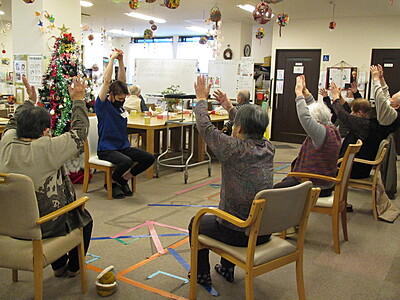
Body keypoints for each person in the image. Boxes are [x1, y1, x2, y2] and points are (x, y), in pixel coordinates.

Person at [0, 75, 93, 278]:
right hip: (42, 225)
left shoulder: (6, 141)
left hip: (8, 221)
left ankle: (58, 266)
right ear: (45, 130)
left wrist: (29, 102)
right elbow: (80, 131)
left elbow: (13, 123)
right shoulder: (47, 148)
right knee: (83, 219)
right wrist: (78, 99)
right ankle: (73, 269)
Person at [188, 75, 274, 286]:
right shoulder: (268, 147)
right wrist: (229, 107)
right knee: (232, 214)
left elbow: (206, 128)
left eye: (236, 125)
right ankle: (226, 268)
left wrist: (201, 99)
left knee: (196, 223)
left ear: (239, 129)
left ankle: (201, 274)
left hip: (239, 232)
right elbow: (249, 127)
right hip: (264, 230)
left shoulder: (234, 149)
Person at [95, 50, 155, 199]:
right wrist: (112, 59)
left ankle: (123, 179)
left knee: (148, 158)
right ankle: (113, 182)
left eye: (124, 98)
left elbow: (121, 81)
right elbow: (107, 82)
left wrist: (121, 61)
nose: (122, 101)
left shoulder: (120, 105)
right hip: (106, 148)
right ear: (111, 95)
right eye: (120, 98)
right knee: (126, 161)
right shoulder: (103, 105)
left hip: (122, 146)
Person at [274, 75, 341, 197]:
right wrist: (306, 93)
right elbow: (316, 108)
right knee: (282, 184)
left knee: (272, 192)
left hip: (315, 184)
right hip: (325, 182)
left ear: (316, 120)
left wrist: (299, 94)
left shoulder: (320, 133)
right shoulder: (331, 128)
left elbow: (305, 117)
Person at [330, 82, 397, 179]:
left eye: (353, 111)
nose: (351, 113)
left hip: (353, 169)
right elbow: (347, 112)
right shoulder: (372, 122)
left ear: (360, 113)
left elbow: (342, 115)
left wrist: (335, 97)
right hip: (361, 168)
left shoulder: (362, 124)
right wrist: (340, 97)